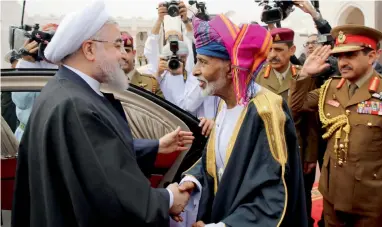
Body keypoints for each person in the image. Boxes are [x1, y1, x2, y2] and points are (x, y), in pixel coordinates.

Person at [11, 1, 195, 226]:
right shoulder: (76, 106)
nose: (122, 56)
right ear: (89, 49)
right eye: (117, 45)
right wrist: (167, 199)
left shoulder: (65, 91)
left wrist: (155, 147)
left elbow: (89, 157)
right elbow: (111, 193)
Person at [171, 15, 307, 227]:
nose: (195, 70)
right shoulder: (225, 103)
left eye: (203, 62)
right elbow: (216, 161)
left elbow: (271, 195)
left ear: (229, 66)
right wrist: (192, 181)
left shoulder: (266, 110)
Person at [289, 24, 382, 226]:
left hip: (371, 198)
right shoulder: (330, 88)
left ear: (372, 56)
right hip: (332, 192)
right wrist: (304, 75)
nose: (343, 62)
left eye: (350, 55)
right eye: (340, 56)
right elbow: (296, 107)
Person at [255, 28, 301, 101]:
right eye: (269, 50)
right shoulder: (257, 76)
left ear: (292, 50)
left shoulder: (302, 76)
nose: (272, 55)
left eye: (278, 50)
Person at [120, 31, 164, 98]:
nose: (122, 56)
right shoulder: (105, 84)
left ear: (134, 53)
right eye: (118, 51)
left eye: (127, 50)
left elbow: (161, 108)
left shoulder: (151, 83)